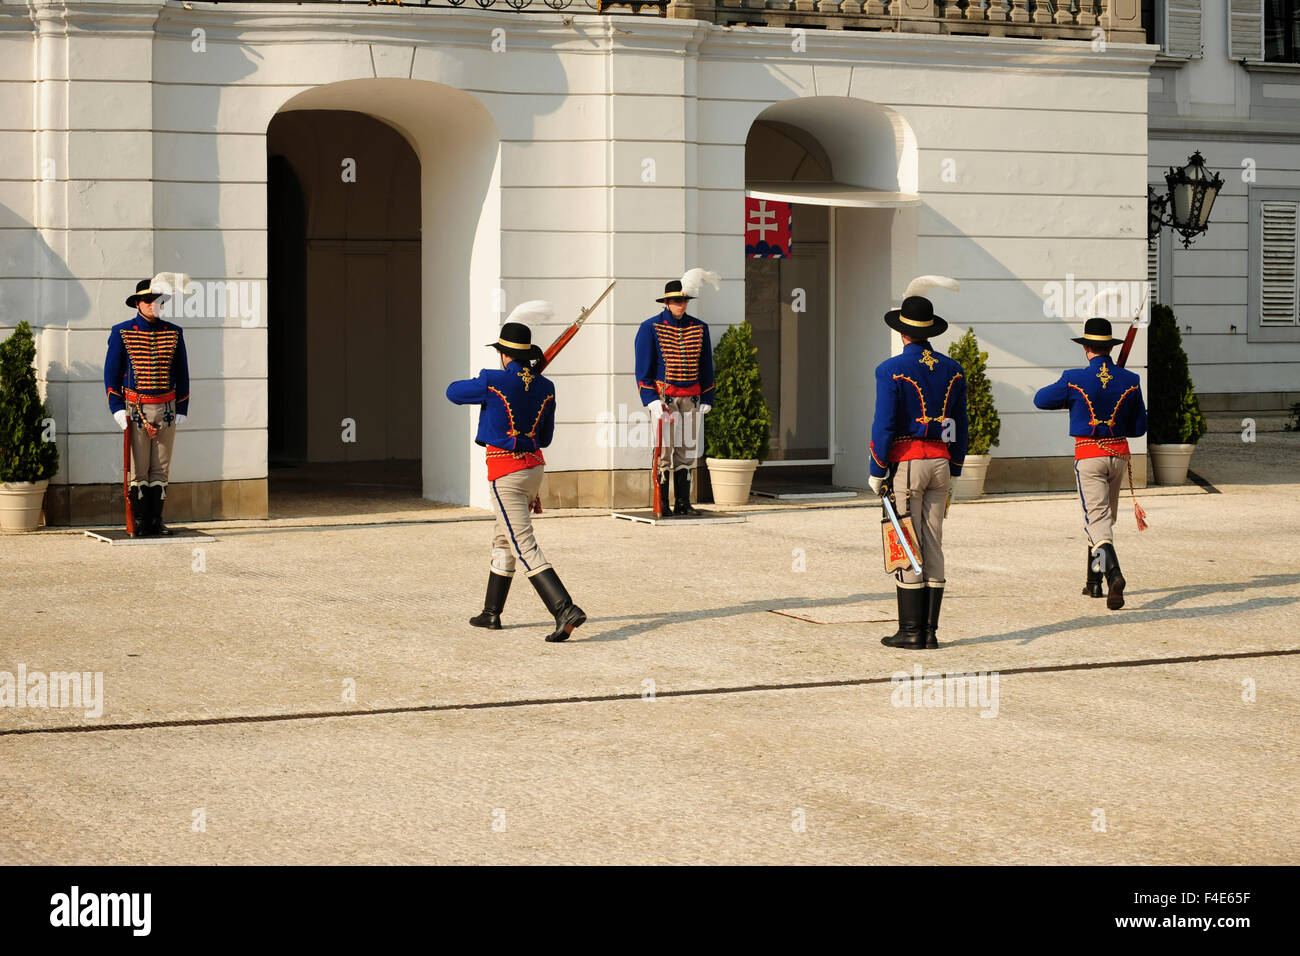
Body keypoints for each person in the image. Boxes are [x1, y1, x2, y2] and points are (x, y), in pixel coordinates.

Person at [446, 305, 586, 642]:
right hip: (533, 469)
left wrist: (488, 385)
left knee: (522, 544)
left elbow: (452, 392)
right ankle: (491, 613)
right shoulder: (546, 386)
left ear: (504, 354)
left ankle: (564, 608)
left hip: (506, 471)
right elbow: (546, 438)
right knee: (503, 539)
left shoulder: (493, 381)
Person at [867, 276, 968, 649]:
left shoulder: (890, 369)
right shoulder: (953, 369)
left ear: (902, 332)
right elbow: (960, 423)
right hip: (941, 462)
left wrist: (878, 469)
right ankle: (929, 632)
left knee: (907, 540)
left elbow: (884, 425)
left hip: (908, 463)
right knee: (933, 541)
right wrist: (955, 467)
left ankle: (911, 631)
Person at [1033, 316, 1147, 610]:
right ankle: (1094, 582)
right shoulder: (1130, 380)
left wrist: (1072, 400)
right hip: (1119, 455)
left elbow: (1040, 400)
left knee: (1096, 520)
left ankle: (1114, 574)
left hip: (1089, 455)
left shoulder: (1075, 378)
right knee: (1102, 520)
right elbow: (1138, 428)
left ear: (1087, 348)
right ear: (1109, 348)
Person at [104, 275, 191, 537]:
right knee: (139, 467)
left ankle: (156, 520)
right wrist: (116, 407)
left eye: (157, 300)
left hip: (165, 409)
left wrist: (183, 407)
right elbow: (111, 373)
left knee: (161, 468)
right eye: (148, 300)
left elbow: (182, 373)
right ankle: (140, 521)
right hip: (136, 408)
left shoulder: (174, 333)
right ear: (138, 304)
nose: (154, 304)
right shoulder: (122, 332)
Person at [634, 269, 719, 516]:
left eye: (683, 301)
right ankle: (662, 503)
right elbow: (643, 369)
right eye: (675, 301)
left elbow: (706, 367)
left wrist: (707, 396)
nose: (680, 305)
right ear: (667, 302)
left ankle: (683, 502)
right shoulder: (650, 328)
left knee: (686, 450)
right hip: (665, 399)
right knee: (665, 450)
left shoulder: (699, 328)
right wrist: (650, 399)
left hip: (691, 398)